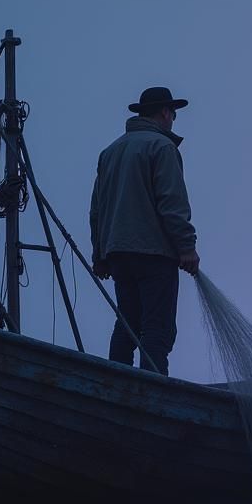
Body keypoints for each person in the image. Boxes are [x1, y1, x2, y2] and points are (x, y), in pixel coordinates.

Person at [89, 86, 200, 375]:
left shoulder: (110, 152)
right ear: (165, 113)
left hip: (117, 252)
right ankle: (153, 390)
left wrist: (99, 254)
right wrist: (186, 247)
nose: (173, 120)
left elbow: (97, 210)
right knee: (157, 325)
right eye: (173, 114)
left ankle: (115, 385)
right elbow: (172, 203)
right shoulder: (162, 147)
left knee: (127, 322)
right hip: (154, 252)